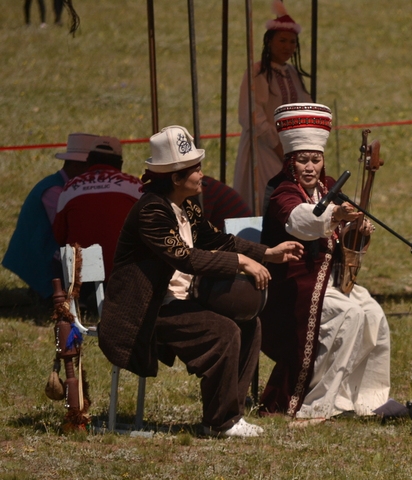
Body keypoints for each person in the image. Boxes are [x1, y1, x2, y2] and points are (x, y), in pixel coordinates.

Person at [98, 125, 303, 438]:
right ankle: (219, 423)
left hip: (179, 303)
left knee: (249, 324)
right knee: (224, 332)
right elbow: (186, 258)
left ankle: (231, 414)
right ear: (176, 178)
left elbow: (214, 239)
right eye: (195, 169)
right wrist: (241, 263)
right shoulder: (151, 212)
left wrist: (267, 253)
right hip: (148, 311)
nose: (201, 174)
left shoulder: (186, 206)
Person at [258, 103, 391, 420]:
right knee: (348, 315)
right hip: (291, 288)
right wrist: (335, 215)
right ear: (291, 161)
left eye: (315, 159)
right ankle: (317, 403)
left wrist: (356, 227)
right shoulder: (283, 191)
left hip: (327, 280)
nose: (309, 167)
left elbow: (343, 235)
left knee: (373, 315)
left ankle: (363, 400)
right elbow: (300, 221)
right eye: (302, 160)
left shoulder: (329, 187)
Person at [233, 0, 312, 213]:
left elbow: (305, 107)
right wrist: (277, 145)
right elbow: (252, 115)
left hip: (291, 151)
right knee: (267, 201)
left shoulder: (293, 74)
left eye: (292, 42)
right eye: (282, 41)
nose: (288, 47)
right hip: (264, 149)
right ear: (269, 42)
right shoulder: (258, 72)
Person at [2, 133, 97, 299]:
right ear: (75, 165)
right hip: (38, 257)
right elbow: (69, 230)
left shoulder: (60, 186)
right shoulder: (55, 191)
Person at [52, 136, 142, 278]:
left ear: (88, 161)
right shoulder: (136, 186)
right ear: (120, 163)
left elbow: (59, 235)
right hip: (125, 273)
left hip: (81, 275)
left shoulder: (69, 187)